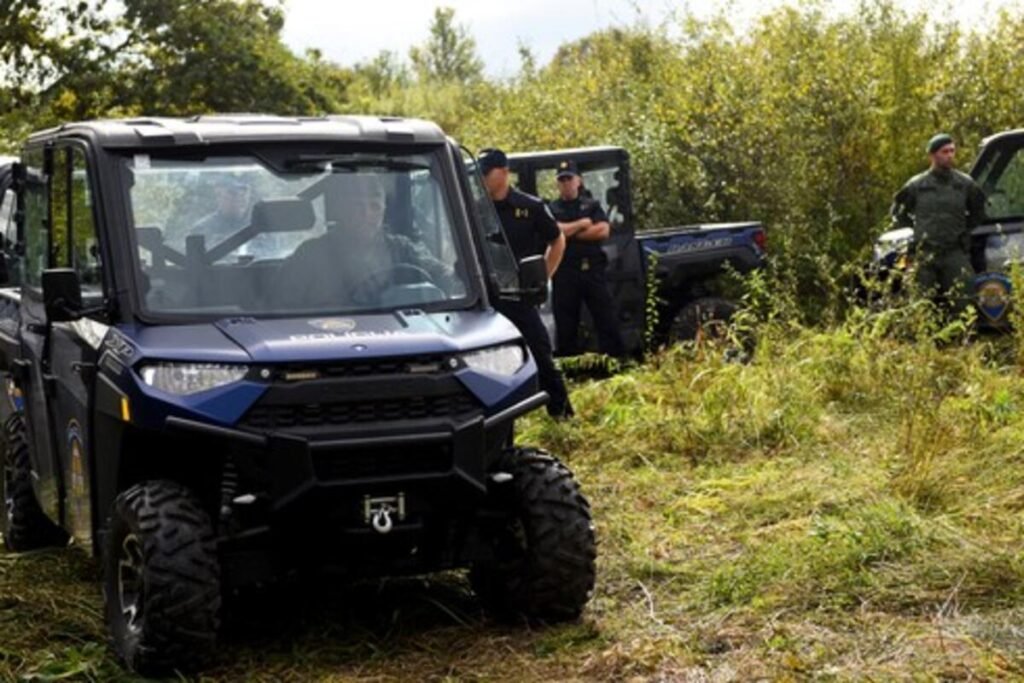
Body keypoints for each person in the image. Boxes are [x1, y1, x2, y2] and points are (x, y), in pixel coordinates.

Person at [478, 148, 574, 419]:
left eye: (487, 172)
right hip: (486, 297)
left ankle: (562, 415)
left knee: (541, 355)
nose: (483, 178)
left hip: (520, 296)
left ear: (504, 172)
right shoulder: (474, 209)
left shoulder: (529, 206)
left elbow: (557, 239)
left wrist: (543, 277)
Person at [276, 173, 457, 308]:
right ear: (340, 210)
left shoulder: (401, 248)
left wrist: (459, 272)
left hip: (394, 335)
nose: (367, 214)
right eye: (357, 206)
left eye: (374, 206)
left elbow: (445, 277)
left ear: (384, 210)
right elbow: (281, 307)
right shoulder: (311, 254)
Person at [891, 133, 986, 316]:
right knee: (920, 303)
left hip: (954, 251)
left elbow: (979, 212)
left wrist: (964, 231)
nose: (950, 155)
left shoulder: (964, 184)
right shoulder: (917, 185)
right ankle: (925, 341)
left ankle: (963, 341)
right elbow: (898, 212)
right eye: (945, 152)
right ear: (933, 155)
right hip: (925, 253)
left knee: (965, 300)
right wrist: (917, 230)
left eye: (952, 151)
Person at [548, 159, 626, 357]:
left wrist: (568, 232)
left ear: (578, 181)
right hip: (565, 272)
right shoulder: (552, 208)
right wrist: (582, 224)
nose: (566, 183)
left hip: (592, 271)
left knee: (605, 318)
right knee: (566, 323)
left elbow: (602, 231)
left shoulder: (591, 205)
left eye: (569, 178)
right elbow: (553, 232)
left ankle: (615, 361)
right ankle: (571, 366)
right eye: (562, 179)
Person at [192, 176, 252, 247]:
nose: (240, 197)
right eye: (233, 193)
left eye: (244, 191)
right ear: (218, 195)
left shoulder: (260, 226)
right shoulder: (202, 230)